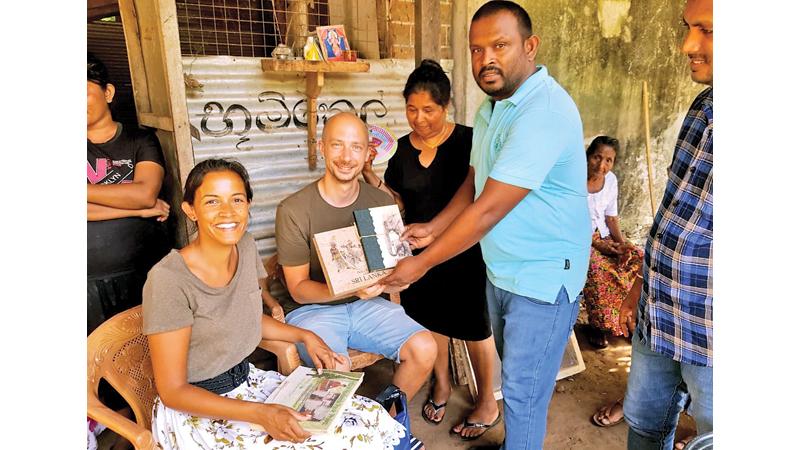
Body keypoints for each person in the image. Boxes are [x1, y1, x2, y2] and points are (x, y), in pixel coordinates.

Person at [382, 2, 591, 449]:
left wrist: (419, 266)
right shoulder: (492, 109)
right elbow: (476, 184)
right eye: (476, 50)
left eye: (500, 45)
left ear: (529, 46)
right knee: (514, 381)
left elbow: (488, 210)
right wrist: (434, 228)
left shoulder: (543, 112)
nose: (486, 60)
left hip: (542, 275)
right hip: (502, 270)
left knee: (521, 395)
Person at [143, 159, 406, 449]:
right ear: (190, 209)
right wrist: (262, 414)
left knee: (369, 417)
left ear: (248, 205)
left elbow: (248, 317)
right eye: (212, 202)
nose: (228, 212)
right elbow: (173, 391)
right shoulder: (168, 280)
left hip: (247, 382)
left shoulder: (244, 245)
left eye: (237, 199)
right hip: (199, 410)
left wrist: (307, 336)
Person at [362, 59, 499, 441]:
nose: (419, 118)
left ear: (446, 105)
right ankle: (440, 385)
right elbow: (400, 205)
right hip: (417, 252)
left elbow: (477, 196)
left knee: (475, 328)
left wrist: (437, 233)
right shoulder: (402, 150)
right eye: (411, 109)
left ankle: (487, 400)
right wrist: (371, 175)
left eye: (429, 110)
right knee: (428, 322)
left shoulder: (470, 141)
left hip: (464, 251)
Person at [275, 112, 437, 403]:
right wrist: (354, 289)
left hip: (368, 305)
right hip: (313, 311)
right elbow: (298, 290)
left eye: (356, 147)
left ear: (367, 154)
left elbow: (392, 267)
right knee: (336, 370)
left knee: (425, 348)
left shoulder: (380, 202)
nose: (347, 157)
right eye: (337, 145)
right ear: (321, 147)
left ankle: (385, 426)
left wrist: (398, 280)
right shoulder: (294, 209)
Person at [619, 0, 713, 449]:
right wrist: (644, 281)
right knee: (645, 423)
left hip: (713, 334)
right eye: (688, 28)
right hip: (660, 315)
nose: (686, 45)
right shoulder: (704, 108)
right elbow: (673, 215)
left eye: (706, 30)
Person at [87, 51, 172, 334]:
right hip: (87, 285)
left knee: (149, 357)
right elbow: (141, 202)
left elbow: (146, 193)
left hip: (144, 273)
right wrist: (137, 210)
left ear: (108, 92)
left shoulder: (140, 140)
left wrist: (141, 203)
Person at [582, 136, 644, 349]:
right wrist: (597, 244)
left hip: (606, 235)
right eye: (597, 157)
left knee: (638, 258)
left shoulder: (611, 181)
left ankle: (627, 320)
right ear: (588, 156)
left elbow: (611, 218)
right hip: (581, 238)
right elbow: (568, 219)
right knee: (598, 268)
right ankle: (598, 326)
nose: (602, 165)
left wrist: (623, 244)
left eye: (608, 160)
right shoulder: (574, 178)